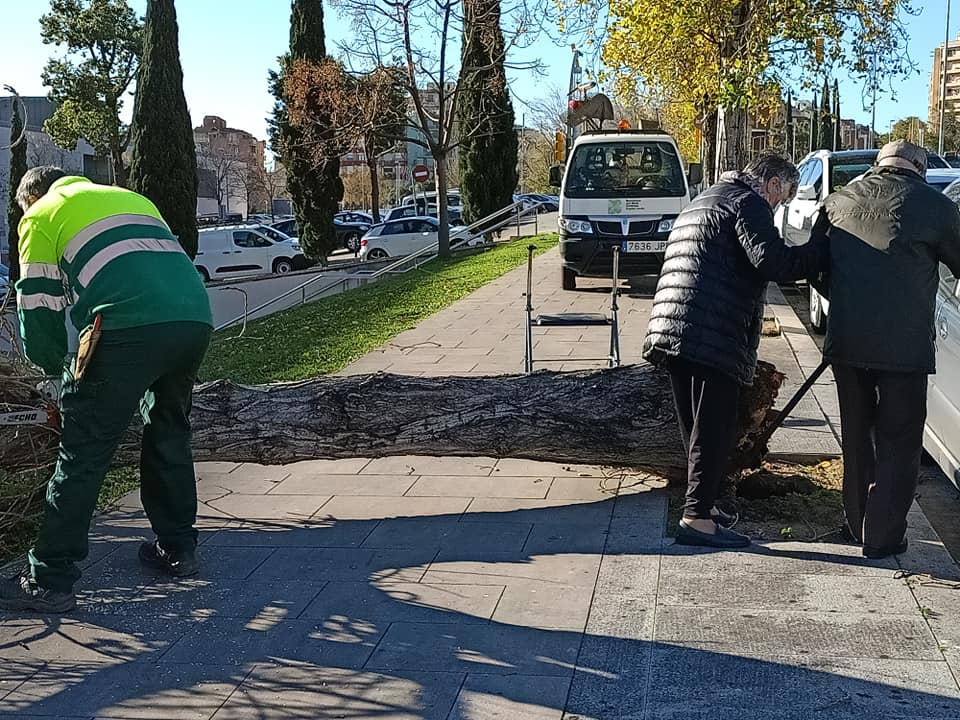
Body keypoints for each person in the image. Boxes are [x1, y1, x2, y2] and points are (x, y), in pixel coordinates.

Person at [0, 167, 213, 613]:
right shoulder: (129, 198)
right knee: (169, 431)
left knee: (83, 453)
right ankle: (178, 547)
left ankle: (50, 578)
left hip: (125, 329)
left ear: (29, 198)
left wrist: (53, 371)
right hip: (193, 318)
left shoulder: (40, 215)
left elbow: (38, 307)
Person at [643, 153, 827, 549]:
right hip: (714, 332)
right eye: (787, 194)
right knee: (714, 429)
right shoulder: (749, 203)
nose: (782, 204)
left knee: (695, 428)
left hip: (673, 325)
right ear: (774, 183)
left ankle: (703, 508)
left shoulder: (708, 198)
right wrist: (817, 248)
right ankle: (696, 520)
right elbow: (772, 261)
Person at [811, 140, 960, 559]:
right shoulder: (934, 207)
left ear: (880, 165)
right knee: (899, 440)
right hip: (904, 348)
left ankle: (856, 524)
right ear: (920, 168)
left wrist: (846, 306)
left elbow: (815, 267)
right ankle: (882, 537)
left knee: (856, 437)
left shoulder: (838, 201)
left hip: (847, 344)